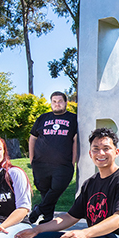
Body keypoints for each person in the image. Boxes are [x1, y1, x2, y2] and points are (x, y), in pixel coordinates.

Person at [28, 91, 78, 224]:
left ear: (66, 102)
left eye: (60, 101)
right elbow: (33, 138)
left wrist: (72, 162)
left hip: (63, 164)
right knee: (44, 190)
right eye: (54, 101)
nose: (57, 104)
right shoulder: (42, 118)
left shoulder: (73, 119)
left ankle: (39, 210)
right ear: (51, 103)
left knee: (57, 188)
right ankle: (48, 218)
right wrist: (32, 159)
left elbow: (75, 140)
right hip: (40, 163)